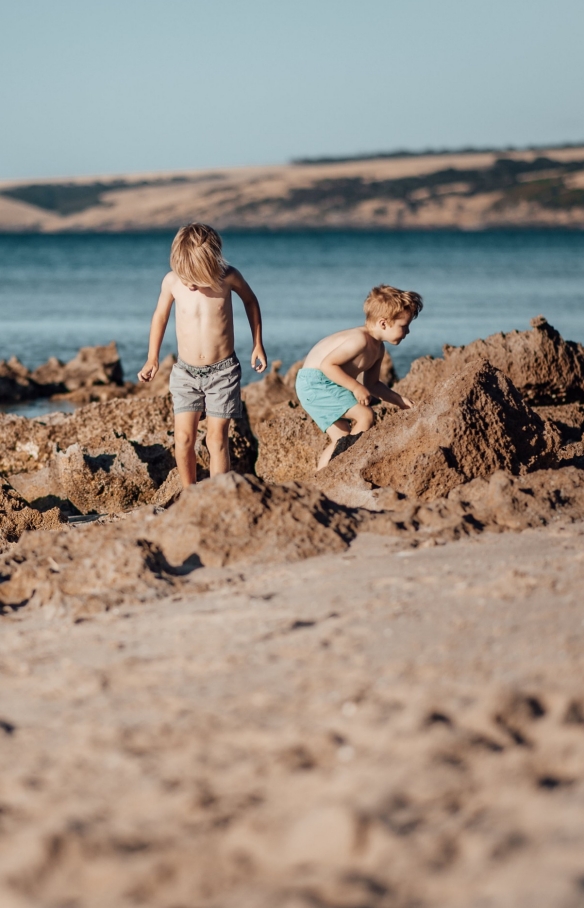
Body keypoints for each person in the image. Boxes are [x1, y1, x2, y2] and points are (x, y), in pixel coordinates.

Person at [138, 223, 267, 486]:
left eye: (194, 278)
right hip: (185, 372)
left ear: (211, 267)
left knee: (217, 438)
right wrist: (152, 357)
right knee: (184, 437)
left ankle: (219, 494)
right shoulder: (171, 281)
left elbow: (251, 301)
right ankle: (189, 494)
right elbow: (160, 316)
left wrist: (258, 344)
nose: (189, 284)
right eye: (184, 276)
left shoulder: (228, 277)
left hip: (223, 371)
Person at [296, 284, 423, 470]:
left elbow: (372, 384)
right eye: (404, 326)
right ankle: (344, 467)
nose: (408, 332)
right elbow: (327, 365)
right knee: (365, 415)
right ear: (383, 323)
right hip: (316, 382)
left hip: (324, 383)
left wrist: (399, 400)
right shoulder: (360, 340)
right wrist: (355, 387)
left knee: (342, 438)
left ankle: (320, 477)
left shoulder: (378, 349)